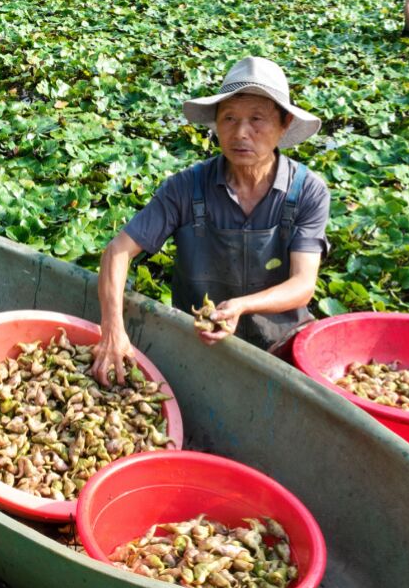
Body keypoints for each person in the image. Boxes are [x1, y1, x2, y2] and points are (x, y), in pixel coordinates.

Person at [91, 56, 330, 384]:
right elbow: (117, 251)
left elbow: (303, 285)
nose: (241, 133)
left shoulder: (308, 192)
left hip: (281, 347)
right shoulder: (186, 187)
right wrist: (113, 328)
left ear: (285, 123)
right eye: (229, 118)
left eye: (257, 119)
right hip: (200, 344)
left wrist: (240, 306)